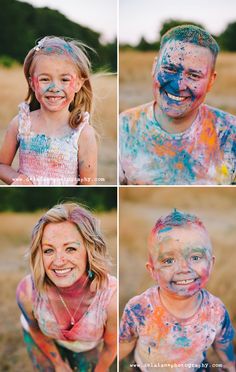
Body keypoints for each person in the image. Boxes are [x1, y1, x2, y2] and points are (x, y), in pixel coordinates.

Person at [119, 209, 235, 372]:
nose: (184, 269)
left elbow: (225, 351)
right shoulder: (139, 308)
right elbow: (124, 344)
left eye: (195, 257)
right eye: (169, 260)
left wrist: (230, 366)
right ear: (152, 270)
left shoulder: (216, 311)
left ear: (211, 263)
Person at [119, 25, 236, 185]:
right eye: (170, 69)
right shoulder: (125, 126)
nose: (179, 85)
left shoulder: (231, 135)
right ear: (155, 67)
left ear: (211, 81)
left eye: (194, 75)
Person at [16, 203, 117, 371]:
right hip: (44, 336)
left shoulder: (110, 297)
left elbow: (111, 347)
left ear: (90, 250)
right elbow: (37, 331)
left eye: (70, 249)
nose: (58, 261)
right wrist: (58, 364)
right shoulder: (27, 291)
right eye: (48, 251)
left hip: (85, 345)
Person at [0, 36, 97, 185]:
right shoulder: (21, 123)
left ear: (78, 84)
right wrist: (19, 180)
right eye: (45, 79)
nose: (54, 88)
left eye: (64, 80)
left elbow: (88, 184)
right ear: (32, 83)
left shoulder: (82, 133)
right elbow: (2, 165)